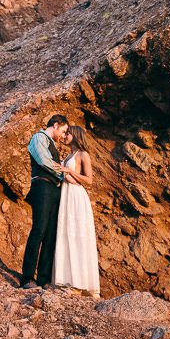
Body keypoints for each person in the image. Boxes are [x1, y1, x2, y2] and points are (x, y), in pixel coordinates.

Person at [20, 114, 70, 288]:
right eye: (63, 131)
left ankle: (43, 278)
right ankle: (27, 278)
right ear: (55, 125)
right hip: (42, 187)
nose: (64, 136)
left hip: (54, 189)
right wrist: (64, 174)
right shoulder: (39, 138)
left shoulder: (53, 145)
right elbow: (43, 161)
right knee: (39, 229)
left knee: (50, 234)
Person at [52, 125, 100, 298]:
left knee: (77, 236)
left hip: (77, 197)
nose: (65, 136)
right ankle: (67, 280)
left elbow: (89, 180)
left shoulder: (82, 155)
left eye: (68, 133)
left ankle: (80, 283)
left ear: (76, 135)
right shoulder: (68, 155)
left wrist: (68, 170)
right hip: (66, 195)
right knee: (66, 235)